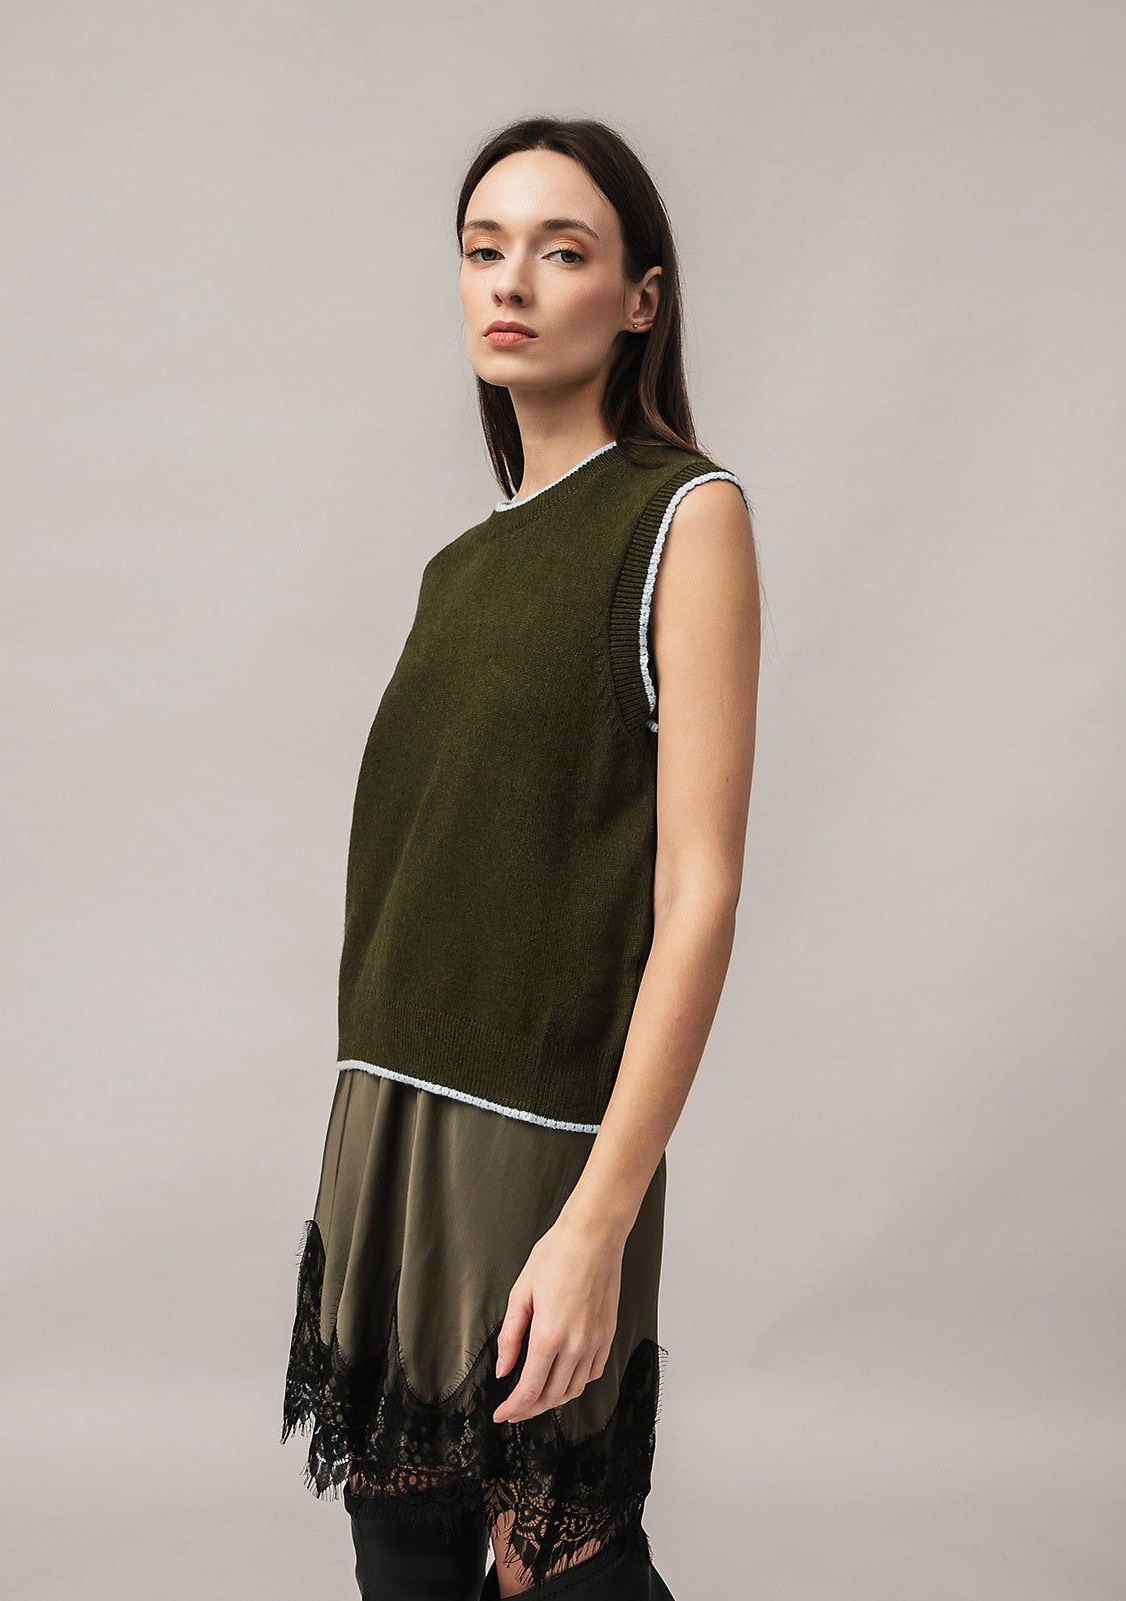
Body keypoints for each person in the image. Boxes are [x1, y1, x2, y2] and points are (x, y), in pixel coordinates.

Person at [282, 114, 763, 1599]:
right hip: (390, 1120)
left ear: (639, 297)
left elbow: (698, 893)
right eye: (484, 248)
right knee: (406, 1551)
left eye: (562, 251)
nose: (512, 280)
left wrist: (597, 1220)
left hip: (542, 1136)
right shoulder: (459, 570)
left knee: (549, 1554)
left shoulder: (682, 516)